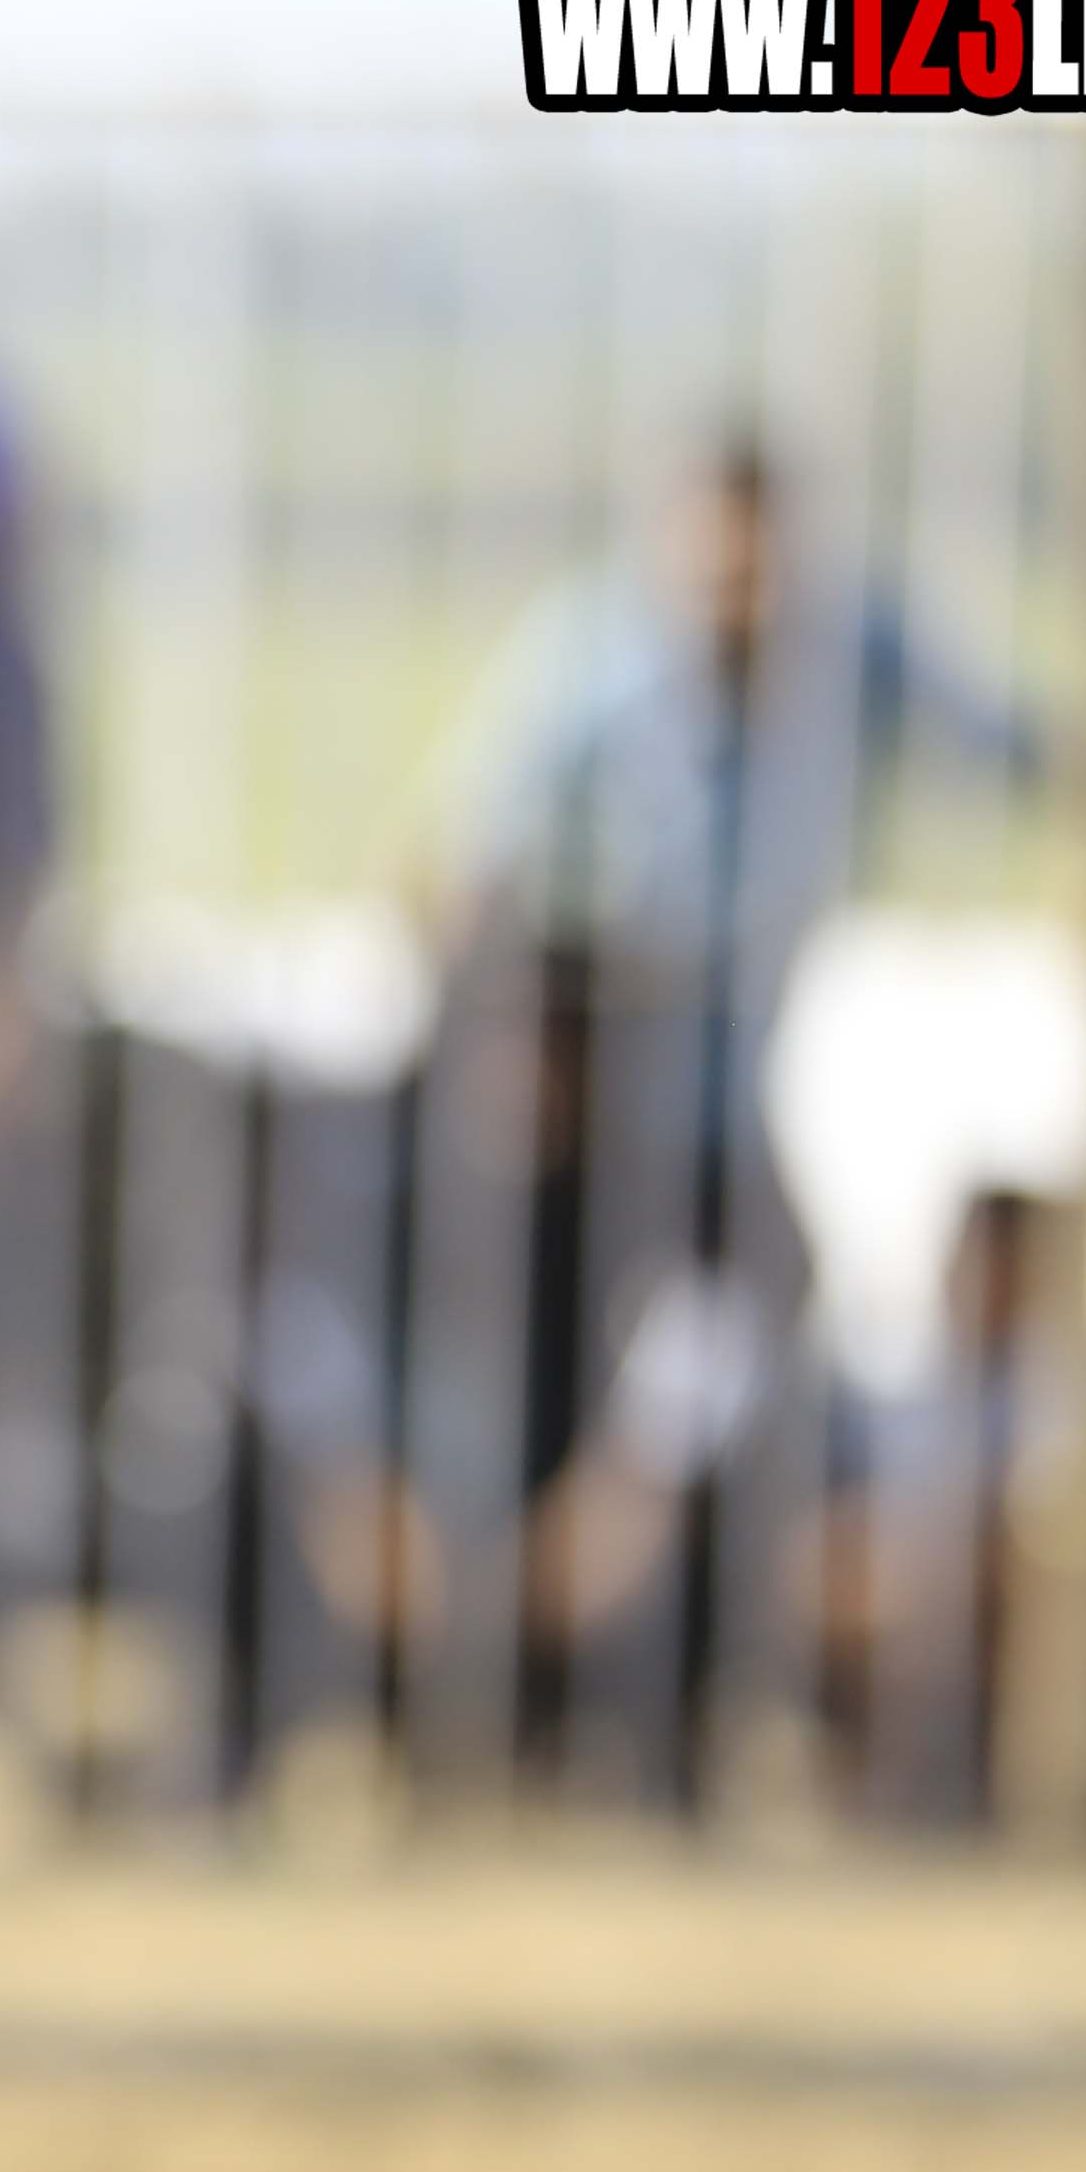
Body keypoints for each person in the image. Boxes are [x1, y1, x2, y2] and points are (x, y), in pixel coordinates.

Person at [393, 423, 1047, 1797]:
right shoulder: (597, 658)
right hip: (608, 1141)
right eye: (710, 569)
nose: (732, 597)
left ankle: (629, 1613)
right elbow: (459, 847)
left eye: (756, 570)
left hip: (725, 1136)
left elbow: (1006, 743)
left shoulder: (849, 651)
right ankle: (532, 1632)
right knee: (613, 1394)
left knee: (720, 1386)